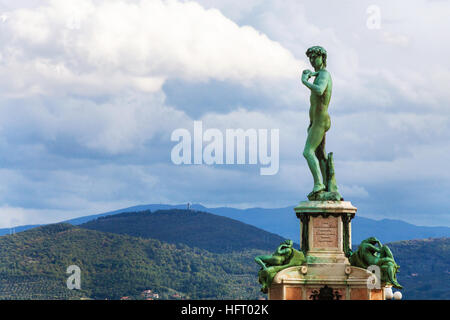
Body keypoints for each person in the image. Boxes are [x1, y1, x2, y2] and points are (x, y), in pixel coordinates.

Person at [301, 46, 333, 198]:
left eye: (315, 57)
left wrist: (304, 82)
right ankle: (328, 185)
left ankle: (319, 184)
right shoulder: (319, 74)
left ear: (322, 57)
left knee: (308, 152)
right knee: (320, 154)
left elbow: (319, 90)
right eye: (310, 58)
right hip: (316, 120)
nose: (313, 61)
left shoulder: (324, 75)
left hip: (321, 120)